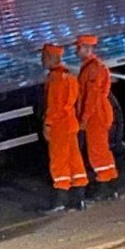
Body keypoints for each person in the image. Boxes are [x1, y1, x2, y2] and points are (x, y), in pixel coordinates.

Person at [40, 43, 87, 213]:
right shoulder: (69, 76)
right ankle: (79, 199)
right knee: (74, 160)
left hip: (59, 125)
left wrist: (48, 124)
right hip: (70, 123)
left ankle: (60, 200)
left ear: (52, 58)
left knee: (59, 162)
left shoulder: (55, 79)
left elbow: (54, 106)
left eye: (44, 57)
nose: (42, 60)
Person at [75, 34, 119, 200]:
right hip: (98, 112)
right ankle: (110, 185)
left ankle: (104, 185)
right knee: (101, 150)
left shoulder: (93, 68)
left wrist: (84, 118)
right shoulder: (91, 67)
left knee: (97, 152)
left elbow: (91, 97)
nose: (76, 51)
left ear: (87, 48)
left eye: (79, 48)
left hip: (96, 114)